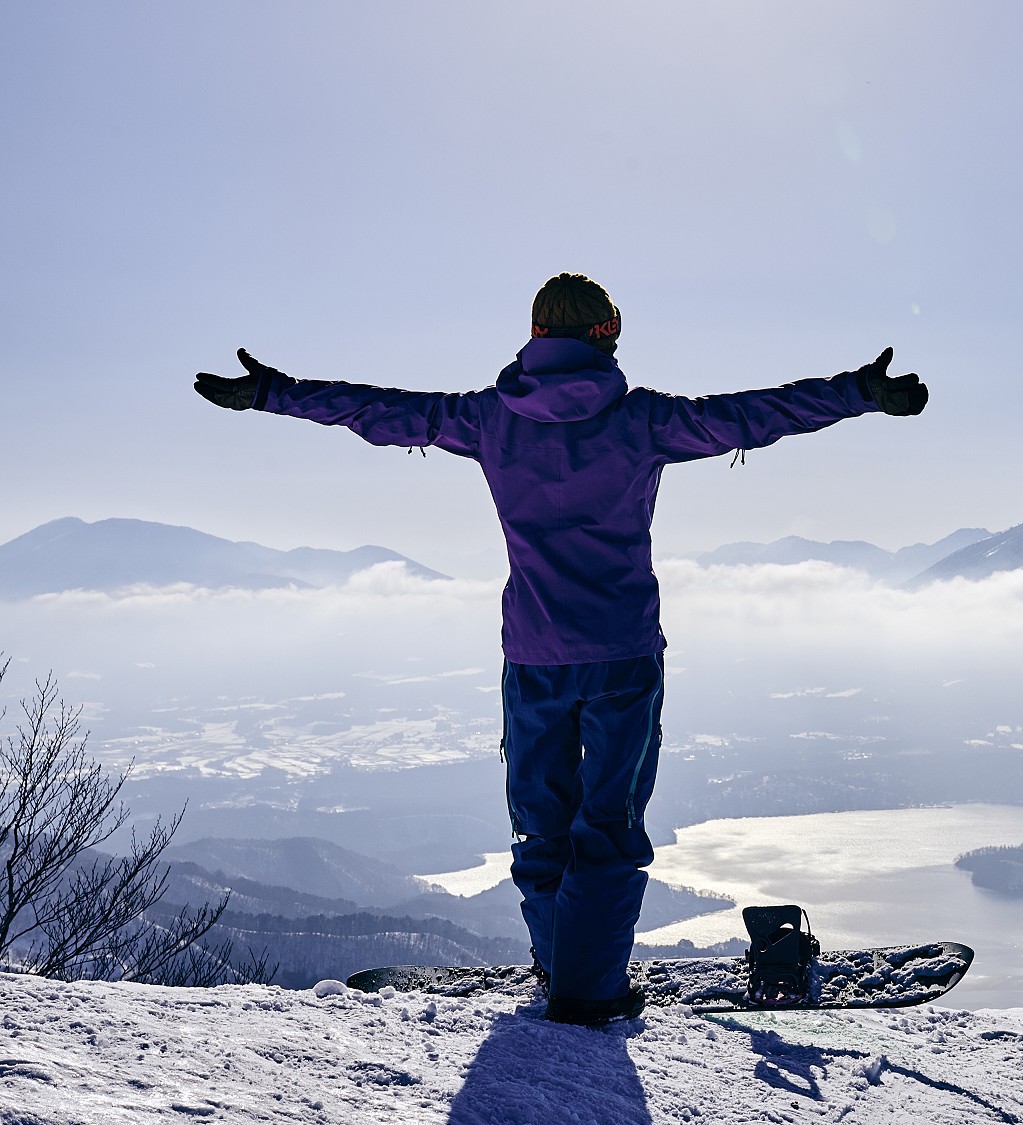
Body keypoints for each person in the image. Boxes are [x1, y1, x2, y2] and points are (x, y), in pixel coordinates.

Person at [194, 273, 927, 1024]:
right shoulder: (638, 422)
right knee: (606, 828)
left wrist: (273, 393)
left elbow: (381, 412)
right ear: (606, 333)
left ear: (537, 335)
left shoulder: (491, 419)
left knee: (540, 828)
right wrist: (859, 391)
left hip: (534, 655)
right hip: (621, 657)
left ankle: (563, 969)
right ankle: (589, 988)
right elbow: (750, 417)